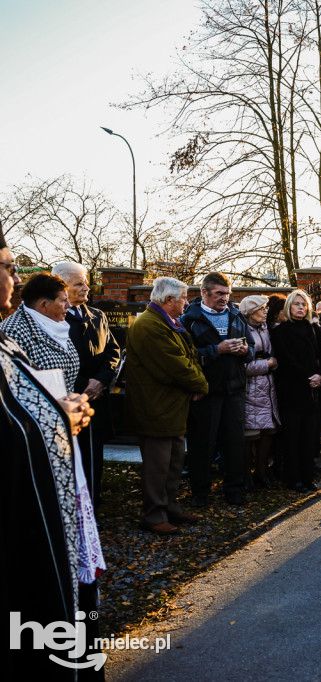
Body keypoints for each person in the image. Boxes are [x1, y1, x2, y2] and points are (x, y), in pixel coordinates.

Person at [1, 227, 105, 677]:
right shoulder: (14, 330)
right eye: (7, 267)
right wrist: (58, 419)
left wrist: (61, 410)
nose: (13, 276)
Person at [126, 277, 210, 534]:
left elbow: (190, 356)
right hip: (156, 407)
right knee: (158, 465)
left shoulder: (168, 322)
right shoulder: (150, 326)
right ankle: (153, 514)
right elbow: (175, 365)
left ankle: (169, 506)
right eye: (184, 297)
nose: (187, 302)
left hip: (171, 406)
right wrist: (201, 385)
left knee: (173, 461)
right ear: (169, 300)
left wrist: (195, 384)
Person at [181, 272, 255, 507]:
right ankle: (200, 493)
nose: (225, 298)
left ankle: (234, 490)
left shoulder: (236, 316)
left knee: (234, 443)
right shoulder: (189, 320)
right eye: (219, 293)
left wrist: (245, 352)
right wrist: (217, 350)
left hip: (234, 390)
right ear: (205, 292)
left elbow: (251, 347)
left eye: (228, 294)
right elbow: (186, 357)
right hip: (205, 393)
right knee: (202, 444)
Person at [53, 262, 121, 504]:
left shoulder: (98, 316)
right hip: (68, 402)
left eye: (86, 282)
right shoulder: (52, 319)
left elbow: (113, 351)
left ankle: (92, 509)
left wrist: (101, 381)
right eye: (79, 283)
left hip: (97, 401)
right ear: (61, 286)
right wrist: (85, 384)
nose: (86, 287)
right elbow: (51, 363)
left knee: (94, 460)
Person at [271, 289, 321, 492]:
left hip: (313, 390)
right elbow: (286, 360)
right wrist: (308, 377)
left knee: (309, 436)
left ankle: (307, 476)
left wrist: (320, 375)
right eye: (296, 304)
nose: (300, 307)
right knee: (292, 436)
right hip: (291, 388)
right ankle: (293, 478)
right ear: (289, 306)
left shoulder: (313, 328)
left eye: (303, 304)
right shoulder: (280, 331)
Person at [1, 272, 79, 394]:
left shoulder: (55, 323)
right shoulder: (13, 332)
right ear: (44, 304)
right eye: (64, 300)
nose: (69, 306)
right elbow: (12, 388)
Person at [240, 295, 280, 490]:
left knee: (267, 431)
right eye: (261, 308)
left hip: (267, 385)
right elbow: (241, 365)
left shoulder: (265, 328)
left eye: (266, 308)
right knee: (250, 434)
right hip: (250, 387)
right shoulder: (241, 329)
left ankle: (261, 472)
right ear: (250, 311)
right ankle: (246, 475)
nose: (266, 311)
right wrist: (267, 364)